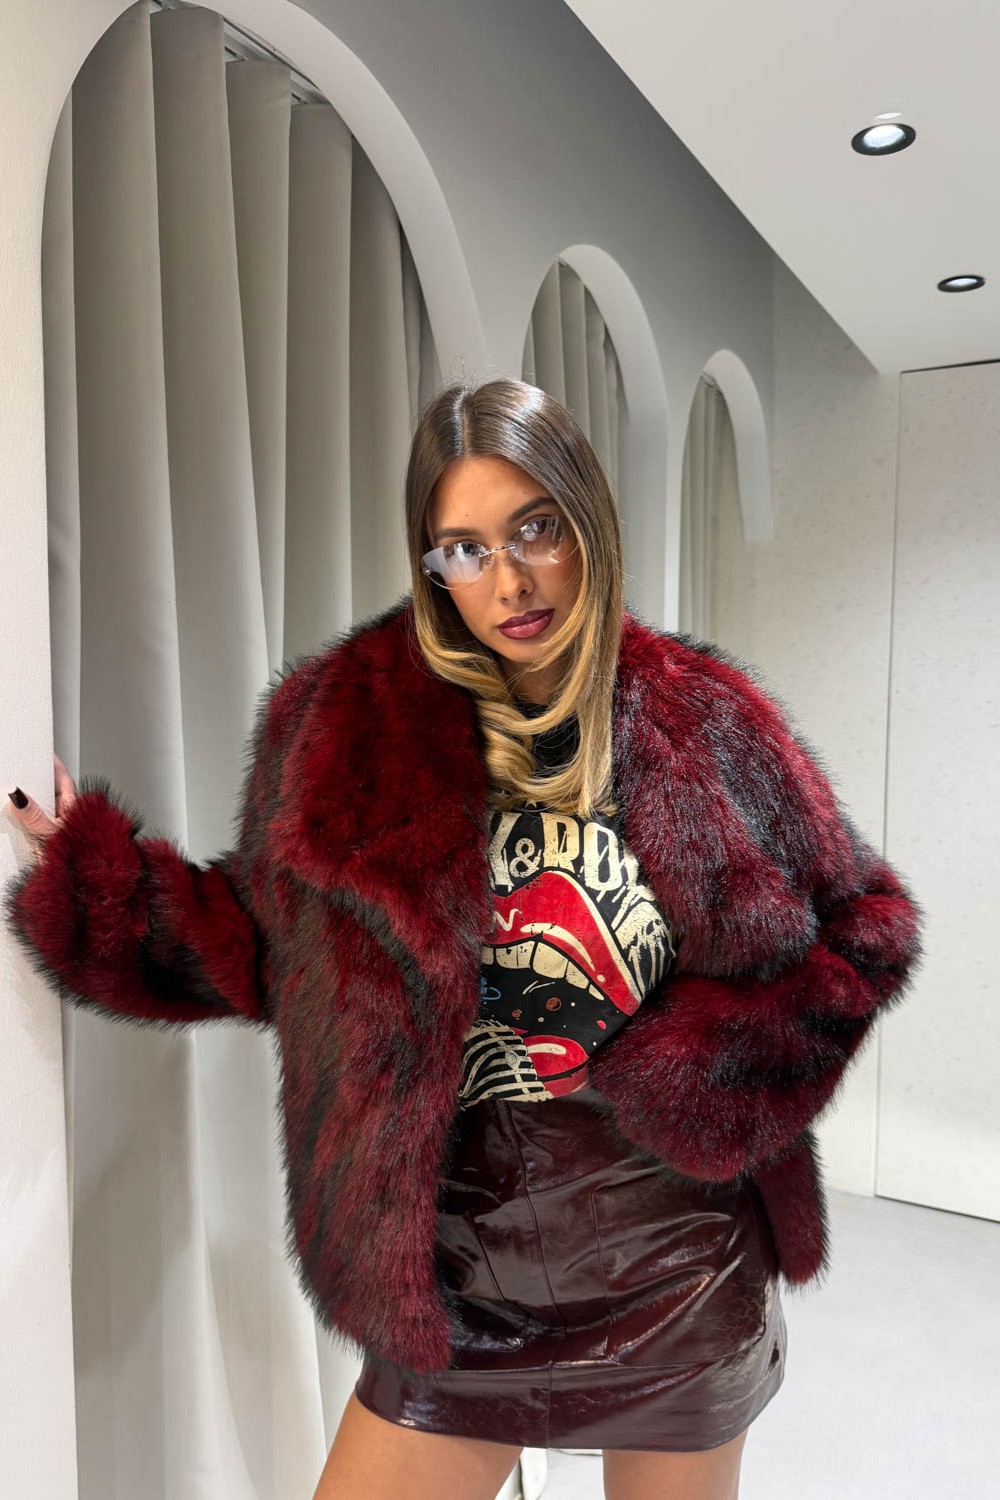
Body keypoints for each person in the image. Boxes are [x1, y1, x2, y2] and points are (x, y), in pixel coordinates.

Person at [5, 376, 924, 1500]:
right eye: (466, 549)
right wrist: (93, 874)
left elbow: (865, 929)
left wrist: (691, 1077)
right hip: (455, 1273)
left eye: (535, 529)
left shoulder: (707, 720)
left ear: (587, 520)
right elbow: (258, 939)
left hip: (677, 1258)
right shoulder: (348, 724)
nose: (509, 580)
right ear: (431, 564)